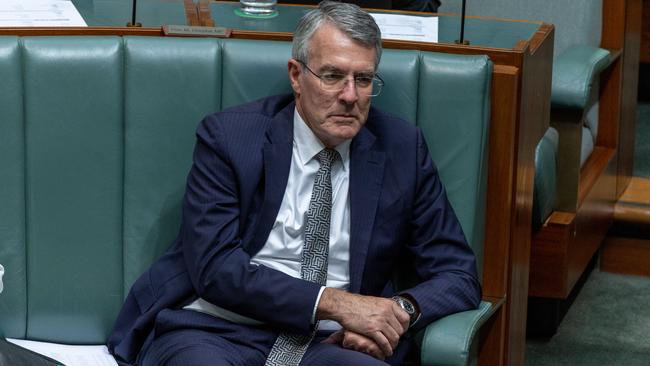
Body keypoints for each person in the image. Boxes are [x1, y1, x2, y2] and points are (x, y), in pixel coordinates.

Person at [107, 2, 479, 365]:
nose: (350, 96)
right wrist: (335, 303)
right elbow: (216, 268)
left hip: (332, 342)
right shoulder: (230, 139)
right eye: (332, 76)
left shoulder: (402, 150)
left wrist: (397, 311)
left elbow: (458, 275)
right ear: (296, 76)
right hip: (217, 327)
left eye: (363, 79)